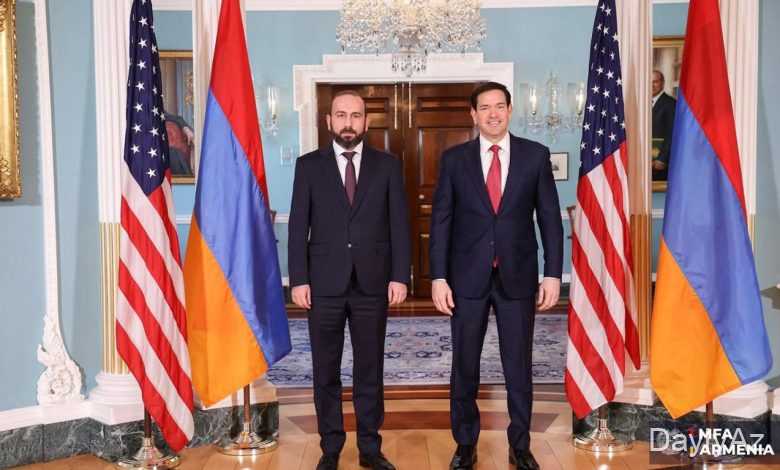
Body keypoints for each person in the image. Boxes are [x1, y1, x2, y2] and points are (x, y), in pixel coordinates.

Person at [429, 82, 563, 470]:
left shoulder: (535, 156)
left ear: (510, 110)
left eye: (499, 106)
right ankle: (464, 444)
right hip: (466, 279)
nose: (493, 114)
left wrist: (553, 274)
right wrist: (438, 277)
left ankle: (520, 445)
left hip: (518, 277)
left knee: (518, 366)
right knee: (464, 365)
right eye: (485, 107)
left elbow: (549, 219)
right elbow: (441, 221)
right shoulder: (454, 160)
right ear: (473, 115)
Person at [288, 90, 410, 470]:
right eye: (341, 115)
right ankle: (330, 447)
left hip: (373, 284)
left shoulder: (387, 166)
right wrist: (299, 279)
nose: (348, 123)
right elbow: (298, 226)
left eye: (356, 116)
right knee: (325, 370)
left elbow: (399, 224)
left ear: (366, 122)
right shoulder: (308, 166)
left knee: (369, 370)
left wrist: (399, 275)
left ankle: (370, 448)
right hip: (323, 285)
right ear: (329, 121)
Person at [651, 70, 677, 181]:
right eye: (649, 82)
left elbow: (672, 133)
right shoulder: (643, 103)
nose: (652, 85)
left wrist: (662, 158)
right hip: (645, 161)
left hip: (660, 163)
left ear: (662, 83)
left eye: (655, 82)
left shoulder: (671, 104)